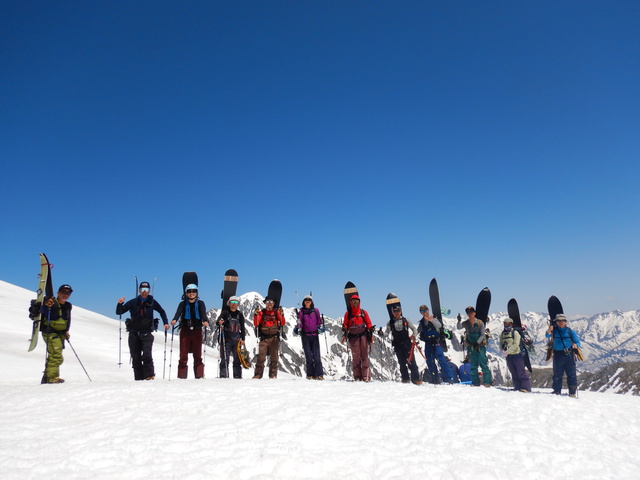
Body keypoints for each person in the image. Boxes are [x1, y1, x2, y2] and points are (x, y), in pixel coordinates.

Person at [116, 281, 169, 380]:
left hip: (147, 333)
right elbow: (119, 312)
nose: (144, 292)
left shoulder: (152, 302)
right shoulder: (133, 302)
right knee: (135, 357)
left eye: (146, 290)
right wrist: (120, 304)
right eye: (142, 290)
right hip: (134, 334)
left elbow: (162, 311)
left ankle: (149, 376)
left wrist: (165, 322)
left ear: (149, 291)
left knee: (147, 354)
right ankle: (139, 379)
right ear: (139, 290)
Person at [170, 283, 209, 379]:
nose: (191, 293)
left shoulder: (200, 303)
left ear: (197, 292)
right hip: (185, 331)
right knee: (183, 356)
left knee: (198, 356)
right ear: (186, 293)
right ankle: (182, 377)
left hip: (197, 331)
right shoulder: (182, 304)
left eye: (194, 291)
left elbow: (203, 314)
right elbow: (178, 313)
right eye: (189, 291)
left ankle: (199, 377)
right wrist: (174, 319)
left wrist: (205, 320)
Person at [40, 284, 73, 384]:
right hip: (50, 333)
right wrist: (46, 304)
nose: (66, 294)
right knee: (56, 355)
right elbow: (43, 310)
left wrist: (65, 331)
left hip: (60, 333)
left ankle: (48, 377)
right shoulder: (52, 303)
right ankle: (52, 379)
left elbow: (67, 319)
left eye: (68, 293)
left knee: (54, 355)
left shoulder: (67, 306)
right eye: (63, 292)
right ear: (58, 293)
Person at [383, 305, 422, 385]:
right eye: (395, 311)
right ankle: (405, 379)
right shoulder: (390, 323)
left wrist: (414, 336)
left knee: (411, 361)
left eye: (398, 310)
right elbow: (386, 333)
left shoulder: (406, 320)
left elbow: (414, 329)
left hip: (407, 344)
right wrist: (382, 334)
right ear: (392, 312)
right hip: (397, 345)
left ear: (401, 311)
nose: (396, 312)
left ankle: (416, 379)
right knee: (401, 362)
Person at [417, 305, 454, 384]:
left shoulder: (434, 318)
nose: (424, 312)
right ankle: (435, 379)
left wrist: (431, 320)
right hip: (428, 343)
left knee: (441, 360)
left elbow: (439, 326)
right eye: (422, 311)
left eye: (425, 310)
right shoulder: (422, 322)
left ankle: (449, 378)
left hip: (436, 342)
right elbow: (418, 331)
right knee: (429, 360)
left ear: (428, 310)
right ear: (420, 313)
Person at [546, 314, 581, 397]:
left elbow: (577, 342)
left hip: (569, 354)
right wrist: (549, 330)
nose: (560, 322)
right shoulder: (554, 331)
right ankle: (557, 390)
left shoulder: (570, 331)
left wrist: (576, 345)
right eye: (558, 321)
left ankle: (572, 392)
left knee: (571, 374)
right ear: (556, 322)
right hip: (558, 354)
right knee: (557, 374)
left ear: (566, 322)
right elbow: (547, 336)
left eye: (562, 321)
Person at [456, 306, 492, 387]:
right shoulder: (466, 323)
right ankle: (475, 382)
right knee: (473, 365)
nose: (470, 314)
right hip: (471, 347)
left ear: (474, 313)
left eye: (471, 312)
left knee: (483, 364)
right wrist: (458, 321)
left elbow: (482, 334)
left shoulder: (480, 323)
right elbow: (459, 327)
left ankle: (487, 382)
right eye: (468, 313)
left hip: (480, 347)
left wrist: (478, 342)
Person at [342, 294, 375, 381]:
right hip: (353, 338)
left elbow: (368, 322)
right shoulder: (348, 314)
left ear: (359, 302)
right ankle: (357, 376)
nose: (355, 303)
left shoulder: (363, 312)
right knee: (356, 356)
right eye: (353, 301)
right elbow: (345, 323)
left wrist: (370, 328)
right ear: (351, 302)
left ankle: (365, 376)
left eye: (357, 301)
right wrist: (344, 327)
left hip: (363, 336)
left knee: (364, 355)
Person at [252, 296, 286, 379]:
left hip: (274, 338)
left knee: (274, 358)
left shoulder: (276, 312)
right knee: (261, 357)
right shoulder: (261, 313)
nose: (269, 303)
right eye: (268, 302)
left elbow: (282, 322)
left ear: (274, 303)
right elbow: (256, 324)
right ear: (265, 303)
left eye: (271, 302)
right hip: (264, 338)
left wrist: (282, 315)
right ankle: (258, 374)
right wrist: (256, 315)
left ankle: (273, 375)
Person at [295, 295, 325, 380]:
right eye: (306, 300)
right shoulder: (301, 312)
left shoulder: (316, 311)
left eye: (309, 300)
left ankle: (319, 374)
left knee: (316, 355)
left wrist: (320, 327)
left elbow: (319, 321)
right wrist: (298, 327)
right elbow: (300, 322)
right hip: (305, 336)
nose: (307, 301)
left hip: (315, 335)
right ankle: (310, 374)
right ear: (303, 302)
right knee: (308, 355)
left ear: (311, 302)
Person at [216, 296, 247, 379]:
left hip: (237, 340)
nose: (234, 304)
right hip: (226, 340)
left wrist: (243, 339)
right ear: (229, 303)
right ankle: (223, 376)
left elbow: (242, 327)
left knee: (237, 359)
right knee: (224, 359)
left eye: (236, 303)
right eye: (232, 302)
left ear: (238, 304)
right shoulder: (225, 313)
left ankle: (237, 376)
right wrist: (220, 321)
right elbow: (218, 322)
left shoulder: (239, 314)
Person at [500, 318, 532, 392]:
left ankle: (526, 388)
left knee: (521, 372)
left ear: (511, 324)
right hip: (509, 356)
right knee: (513, 372)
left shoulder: (515, 333)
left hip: (517, 355)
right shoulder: (503, 334)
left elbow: (516, 344)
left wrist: (507, 351)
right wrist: (503, 350)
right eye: (505, 323)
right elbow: (501, 343)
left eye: (508, 324)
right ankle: (517, 387)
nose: (506, 325)